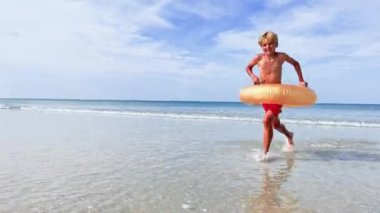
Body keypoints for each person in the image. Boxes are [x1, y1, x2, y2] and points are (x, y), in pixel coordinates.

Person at [245, 31, 308, 156]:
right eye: (264, 45)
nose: (267, 47)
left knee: (266, 120)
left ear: (276, 44)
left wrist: (301, 80)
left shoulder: (281, 57)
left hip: (277, 94)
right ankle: (288, 135)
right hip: (265, 94)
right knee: (275, 124)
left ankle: (265, 154)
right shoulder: (258, 58)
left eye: (270, 44)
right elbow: (248, 67)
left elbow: (296, 64)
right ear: (261, 46)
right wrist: (253, 76)